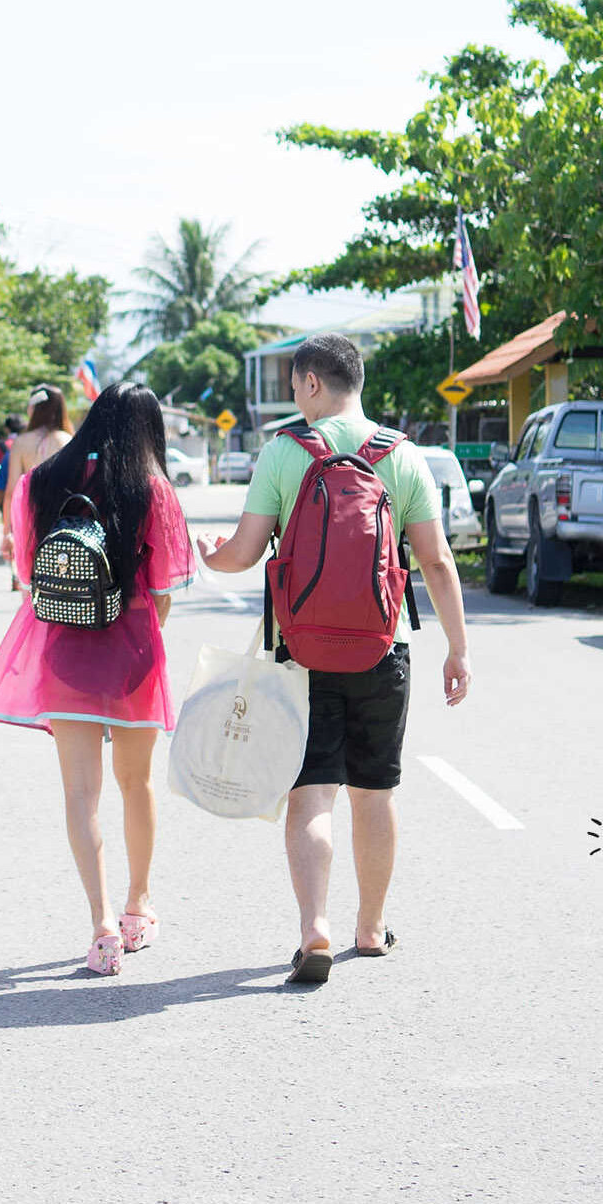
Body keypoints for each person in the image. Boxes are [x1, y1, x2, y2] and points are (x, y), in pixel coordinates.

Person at [196, 332, 470, 987]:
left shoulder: (284, 453)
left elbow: (245, 552)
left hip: (302, 652)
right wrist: (458, 649)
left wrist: (211, 556)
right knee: (375, 792)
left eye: (295, 384)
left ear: (314, 383)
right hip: (384, 647)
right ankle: (371, 929)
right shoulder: (402, 456)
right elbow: (436, 561)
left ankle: (313, 927)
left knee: (312, 790)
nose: (295, 395)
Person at [0, 383, 194, 975]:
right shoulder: (152, 488)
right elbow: (165, 589)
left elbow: (29, 577)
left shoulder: (40, 482)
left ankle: (101, 927)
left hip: (65, 650)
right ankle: (137, 906)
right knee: (136, 783)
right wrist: (139, 632)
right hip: (132, 650)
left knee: (79, 793)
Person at [1, 385, 70, 594]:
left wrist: (7, 531)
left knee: (30, 585)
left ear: (35, 408)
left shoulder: (21, 442)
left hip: (28, 519)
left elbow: (11, 492)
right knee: (61, 583)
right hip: (63, 519)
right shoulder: (68, 440)